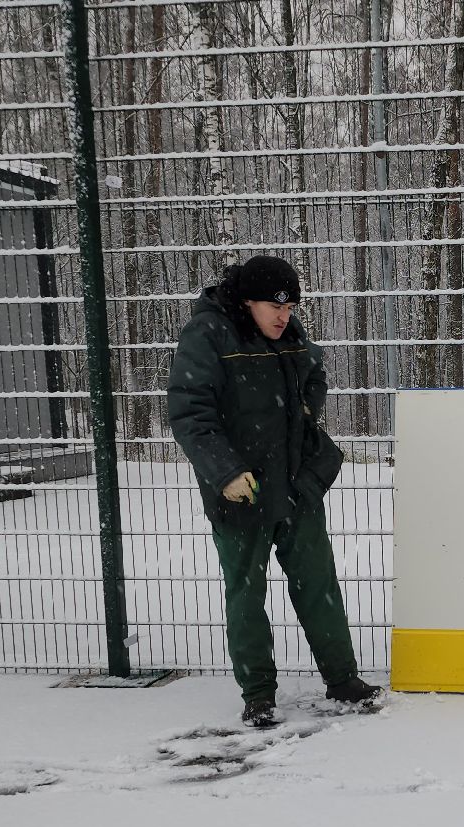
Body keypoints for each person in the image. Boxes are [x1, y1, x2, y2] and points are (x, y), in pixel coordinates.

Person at [167, 255, 384, 728]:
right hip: (240, 490)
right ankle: (259, 694)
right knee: (246, 593)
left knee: (318, 583)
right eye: (275, 306)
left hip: (295, 484)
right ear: (247, 302)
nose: (285, 316)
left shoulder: (291, 333)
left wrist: (305, 410)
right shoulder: (207, 336)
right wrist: (226, 471)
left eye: (290, 307)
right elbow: (189, 413)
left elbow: (315, 375)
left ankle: (343, 678)